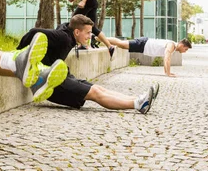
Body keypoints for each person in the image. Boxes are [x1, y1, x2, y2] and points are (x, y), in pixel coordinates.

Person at [17, 14, 159, 113]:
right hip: (52, 85)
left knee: (98, 87)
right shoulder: (63, 37)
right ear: (77, 31)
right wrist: (18, 53)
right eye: (88, 32)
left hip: (61, 76)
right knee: (95, 93)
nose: (90, 36)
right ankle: (137, 105)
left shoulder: (69, 30)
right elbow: (34, 31)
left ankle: (137, 98)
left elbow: (67, 24)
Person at [107, 37, 192, 77]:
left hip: (144, 47)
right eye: (186, 49)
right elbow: (167, 58)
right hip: (144, 43)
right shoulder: (171, 45)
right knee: (121, 44)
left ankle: (101, 39)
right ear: (181, 45)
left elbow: (166, 59)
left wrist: (167, 72)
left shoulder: (173, 47)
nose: (185, 51)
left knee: (122, 45)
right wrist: (168, 73)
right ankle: (99, 38)